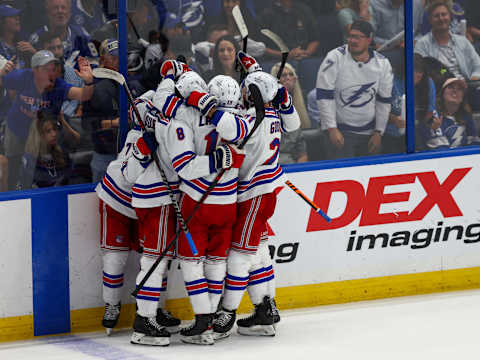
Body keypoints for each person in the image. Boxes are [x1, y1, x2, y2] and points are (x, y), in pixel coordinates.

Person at [154, 62, 248, 345]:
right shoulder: (244, 120)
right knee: (217, 260)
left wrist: (170, 77)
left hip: (198, 200)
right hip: (228, 202)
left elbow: (162, 104)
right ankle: (211, 320)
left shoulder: (187, 113)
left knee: (192, 262)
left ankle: (203, 321)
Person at [213, 52, 300, 339]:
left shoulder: (251, 119)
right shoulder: (273, 113)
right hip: (264, 193)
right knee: (259, 252)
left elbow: (227, 125)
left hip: (254, 194)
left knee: (239, 256)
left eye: (246, 90)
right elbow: (295, 122)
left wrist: (205, 103)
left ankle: (226, 313)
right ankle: (266, 308)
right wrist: (259, 75)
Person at [0, 50, 94, 190]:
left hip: (43, 134)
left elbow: (84, 95)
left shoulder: (59, 86)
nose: (52, 72)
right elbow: (2, 80)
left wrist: (88, 81)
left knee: (40, 171)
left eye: (53, 68)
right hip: (16, 129)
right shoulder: (23, 76)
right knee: (13, 167)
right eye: (46, 69)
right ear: (35, 71)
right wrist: (2, 73)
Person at [316, 20, 393, 159]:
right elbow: (323, 95)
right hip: (339, 131)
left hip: (369, 133)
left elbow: (384, 100)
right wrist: (332, 128)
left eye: (358, 37)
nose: (352, 40)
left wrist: (378, 132)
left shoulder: (382, 63)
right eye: (351, 36)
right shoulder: (334, 57)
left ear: (369, 39)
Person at [81, 39, 119, 182]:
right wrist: (111, 123)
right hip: (104, 156)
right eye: (114, 58)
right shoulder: (93, 87)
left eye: (122, 57)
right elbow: (86, 125)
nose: (119, 62)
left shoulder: (131, 84)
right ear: (103, 59)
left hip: (130, 156)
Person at [415, 1, 480, 80]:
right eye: (436, 16)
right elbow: (426, 72)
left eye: (444, 14)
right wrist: (445, 73)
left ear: (450, 17)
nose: (441, 18)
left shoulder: (462, 41)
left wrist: (475, 77)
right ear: (430, 20)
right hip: (439, 86)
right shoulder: (422, 45)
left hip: (467, 85)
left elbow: (477, 65)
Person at [29, 0, 98, 67]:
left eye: (63, 8)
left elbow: (95, 61)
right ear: (48, 13)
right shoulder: (36, 39)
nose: (60, 11)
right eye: (55, 8)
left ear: (70, 13)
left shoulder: (81, 34)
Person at [418, 77, 480, 149]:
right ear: (442, 94)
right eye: (450, 87)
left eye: (459, 89)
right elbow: (441, 150)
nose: (454, 91)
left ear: (463, 98)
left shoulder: (466, 116)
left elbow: (474, 145)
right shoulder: (432, 114)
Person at [19, 111, 73, 188]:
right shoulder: (29, 160)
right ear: (38, 135)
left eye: (54, 129)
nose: (54, 134)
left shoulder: (63, 154)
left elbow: (69, 180)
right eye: (48, 131)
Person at [270, 62, 309, 163]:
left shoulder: (298, 106)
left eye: (291, 74)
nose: (288, 78)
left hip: (292, 162)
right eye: (283, 75)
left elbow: (302, 153)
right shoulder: (267, 108)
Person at [0, 4, 35, 69]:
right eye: (11, 16)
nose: (17, 18)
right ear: (2, 22)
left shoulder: (24, 43)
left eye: (17, 15)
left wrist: (34, 53)